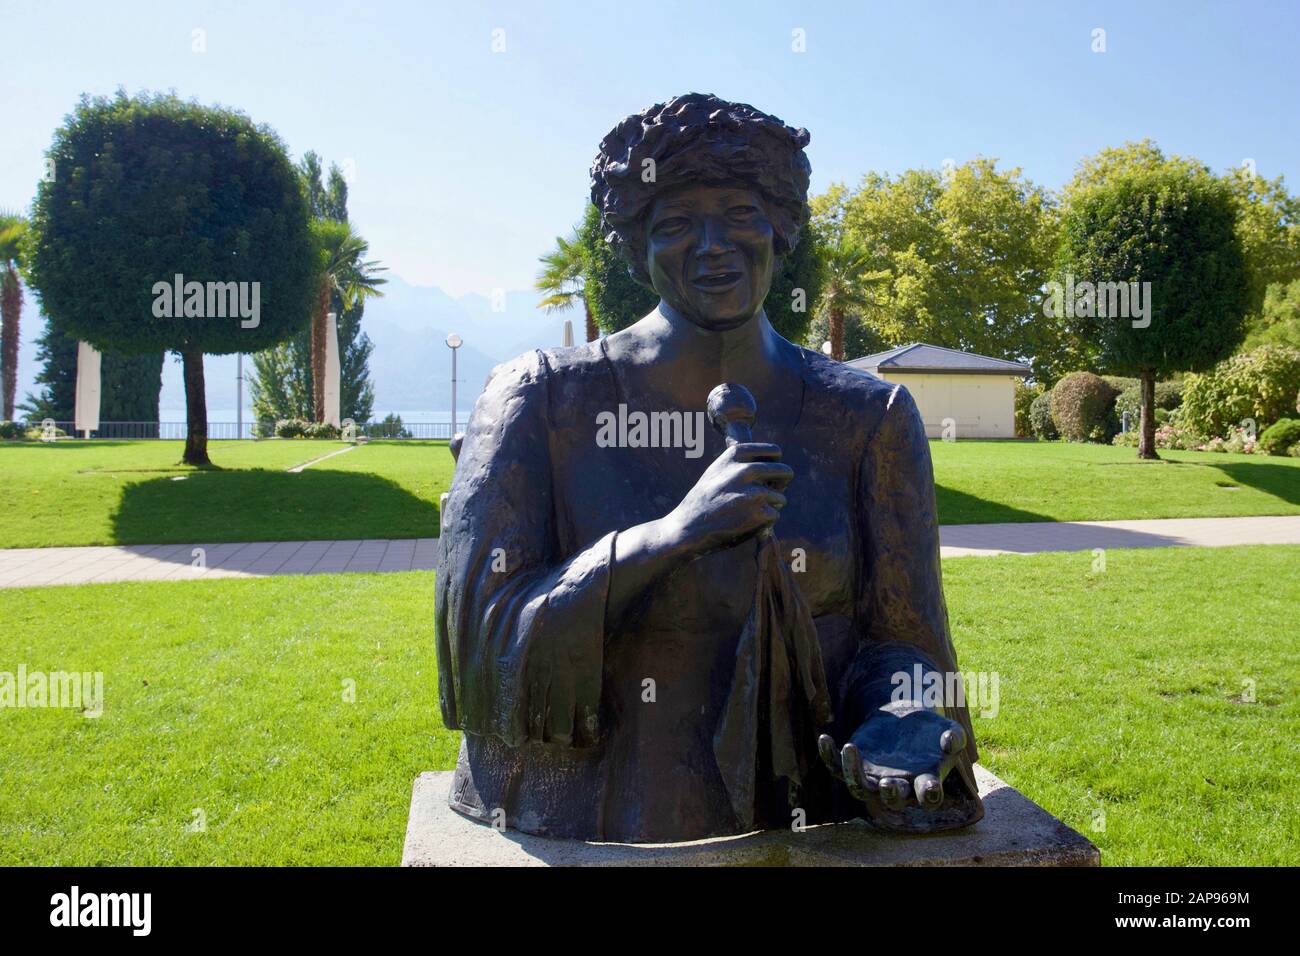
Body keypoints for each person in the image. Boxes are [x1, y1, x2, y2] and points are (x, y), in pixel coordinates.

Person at [436, 93, 982, 842]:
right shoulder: (540, 399)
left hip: (809, 800)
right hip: (587, 805)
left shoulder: (867, 416)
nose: (712, 244)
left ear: (781, 230)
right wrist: (668, 538)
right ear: (636, 249)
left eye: (739, 214)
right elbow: (479, 645)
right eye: (676, 224)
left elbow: (907, 639)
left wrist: (901, 720)